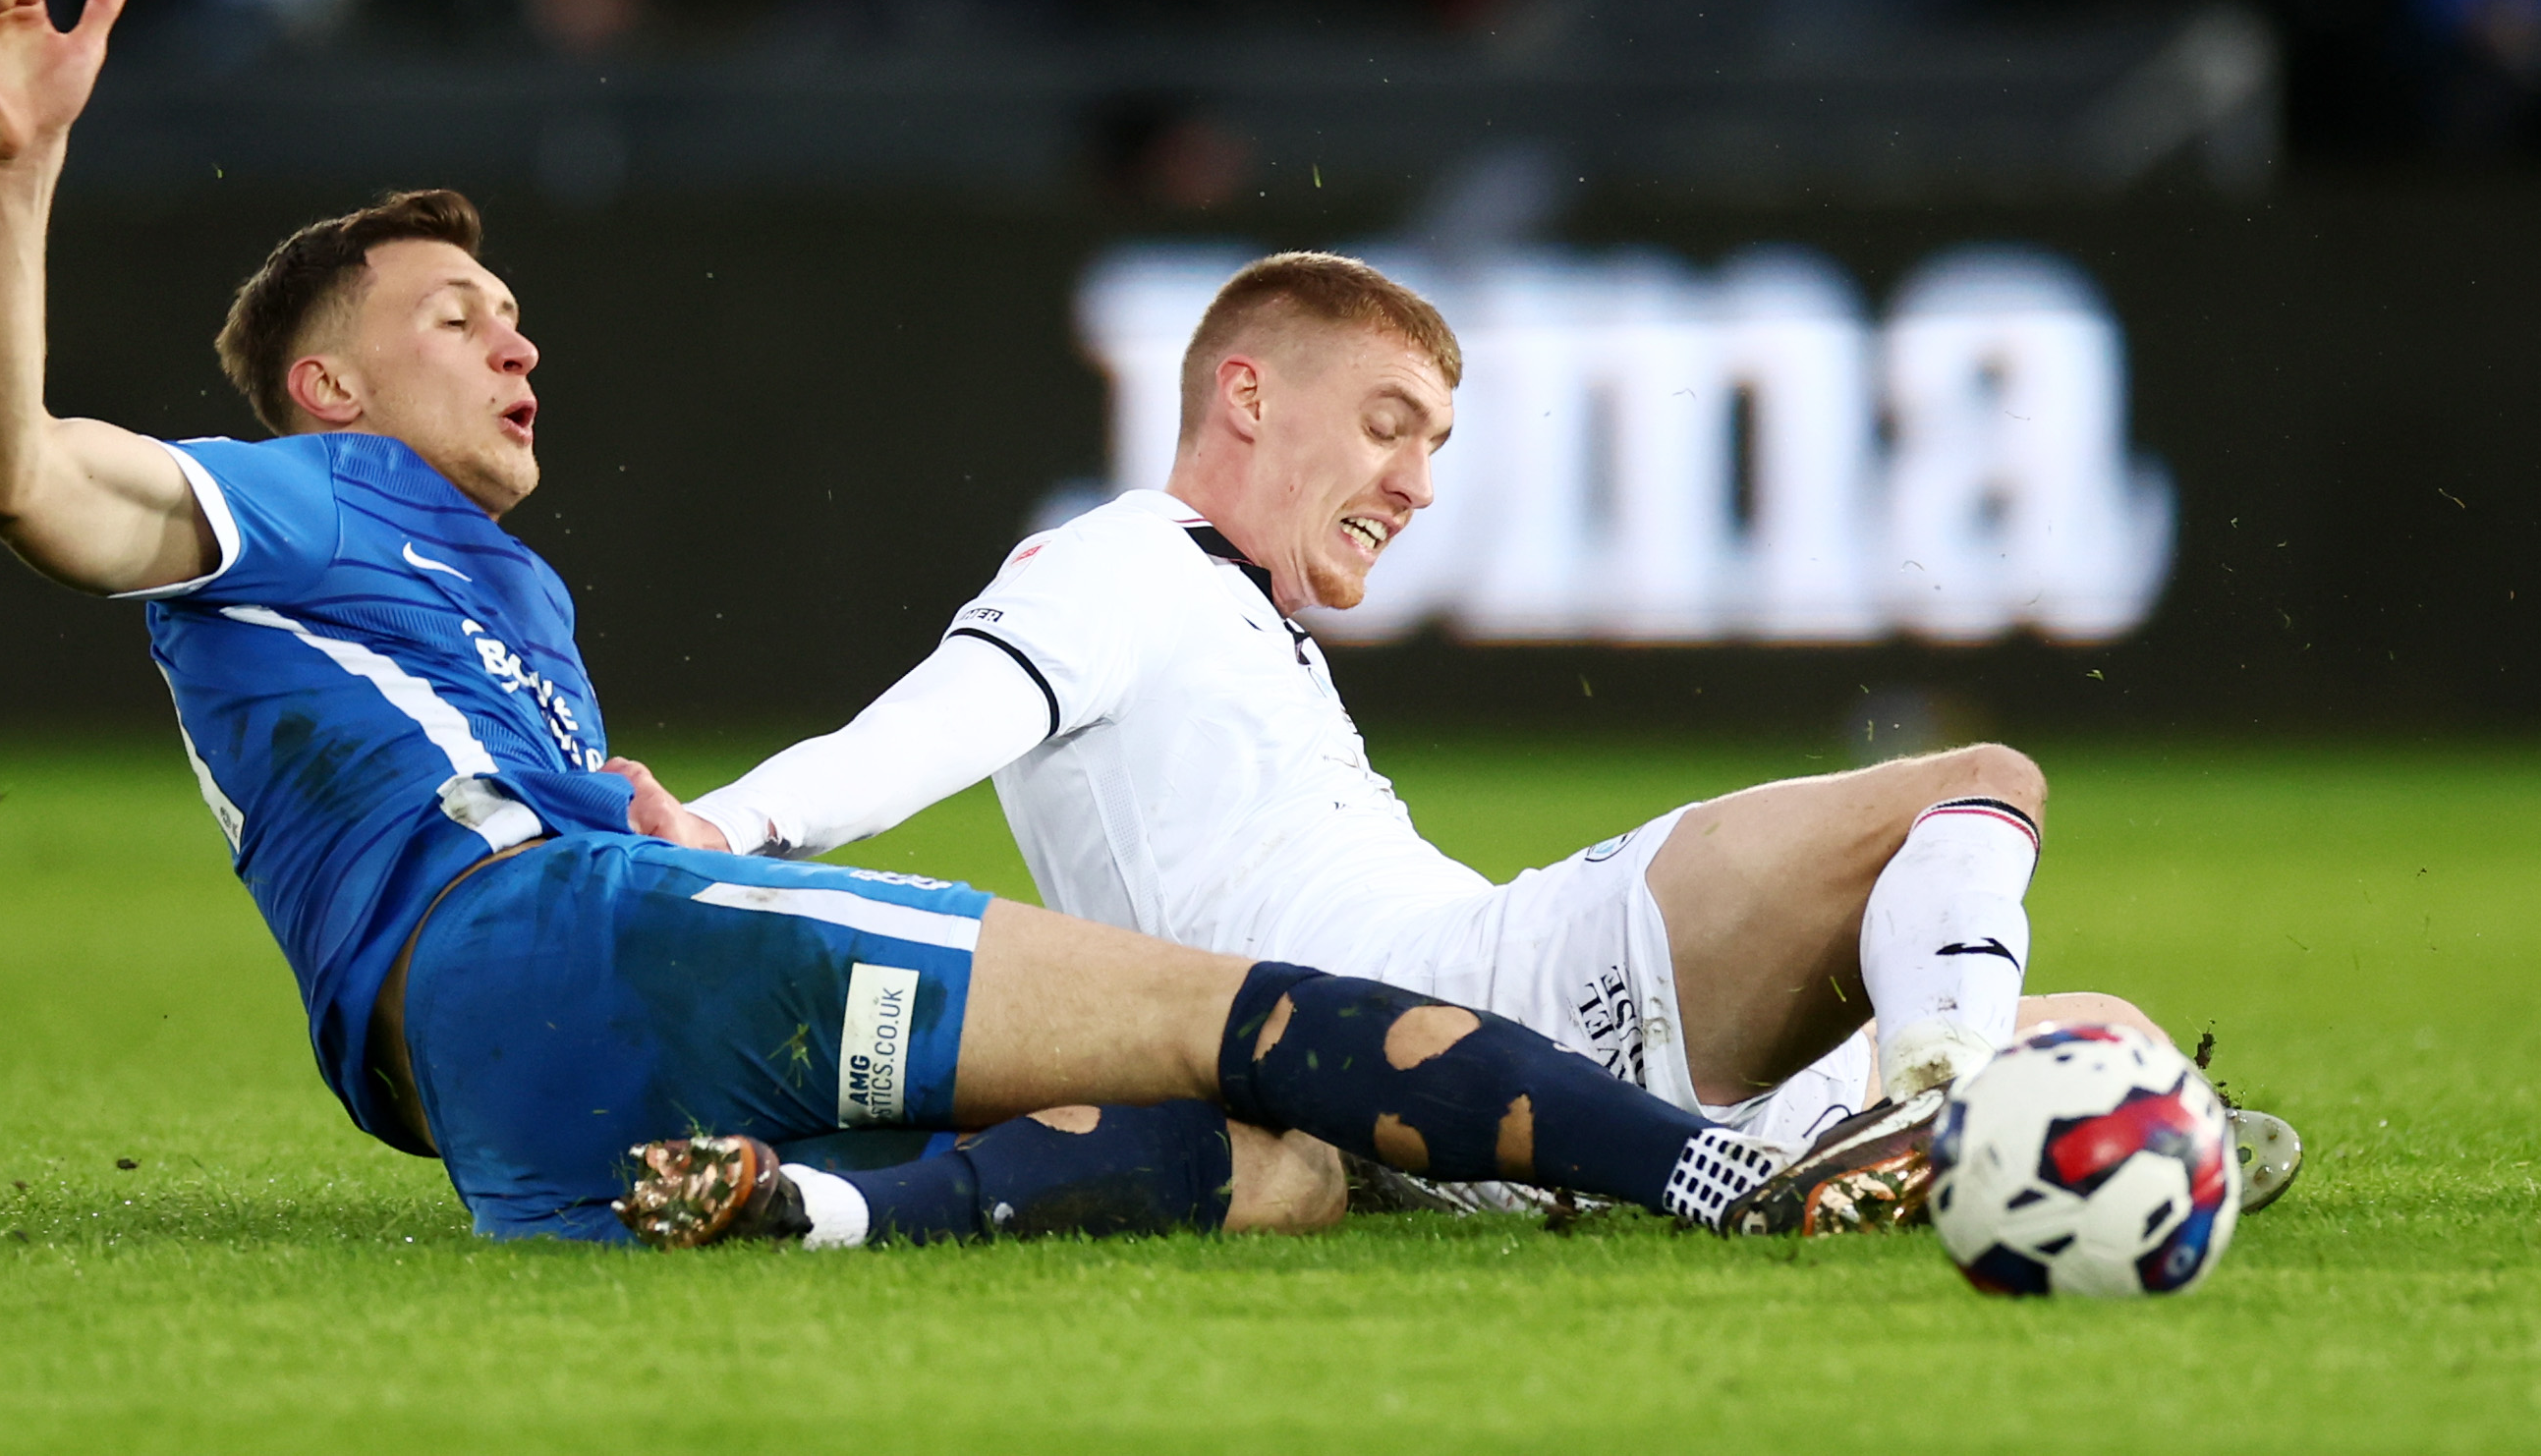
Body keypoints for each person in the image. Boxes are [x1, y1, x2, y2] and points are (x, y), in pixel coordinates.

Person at [0, 0, 1941, 1253]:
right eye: (458, 316)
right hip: (568, 944)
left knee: (1278, 1165)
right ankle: (1720, 1166)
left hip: (507, 1105)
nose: (515, 342)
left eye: (517, 310)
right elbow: (6, 473)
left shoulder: (478, 593)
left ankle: (801, 1211)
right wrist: (18, 178)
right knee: (1266, 1028)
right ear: (328, 384)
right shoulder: (300, 500)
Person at [627, 252, 2303, 1213]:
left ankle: (1939, 1124)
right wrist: (723, 826)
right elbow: (939, 719)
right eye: (1388, 425)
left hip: (1458, 1115)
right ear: (1247, 397)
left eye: (1435, 441)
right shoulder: (1123, 560)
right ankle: (1949, 1114)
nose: (1419, 484)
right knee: (1981, 784)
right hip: (1498, 993)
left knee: (2118, 1036)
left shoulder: (1228, 607)